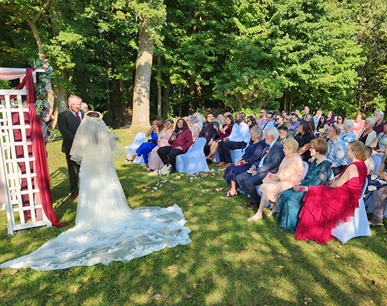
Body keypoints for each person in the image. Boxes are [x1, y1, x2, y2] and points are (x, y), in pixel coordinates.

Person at [0, 111, 191, 270]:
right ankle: (111, 212)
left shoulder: (82, 135)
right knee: (108, 187)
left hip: (90, 166)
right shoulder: (103, 134)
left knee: (91, 190)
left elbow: (79, 153)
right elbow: (111, 147)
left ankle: (90, 217)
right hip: (104, 165)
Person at [294, 141, 368, 244]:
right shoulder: (361, 164)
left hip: (345, 195)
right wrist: (332, 182)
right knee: (316, 190)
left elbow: (337, 184)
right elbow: (340, 176)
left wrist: (327, 186)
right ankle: (307, 189)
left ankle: (313, 229)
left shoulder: (353, 166)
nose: (346, 152)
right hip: (350, 192)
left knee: (315, 193)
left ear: (354, 152)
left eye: (348, 150)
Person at [277, 138, 331, 232]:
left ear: (318, 151)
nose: (309, 150)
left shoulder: (324, 165)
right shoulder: (315, 160)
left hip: (313, 191)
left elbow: (317, 184)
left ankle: (291, 225)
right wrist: (299, 183)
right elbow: (308, 178)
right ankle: (283, 222)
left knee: (291, 197)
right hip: (305, 185)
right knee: (285, 193)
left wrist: (301, 188)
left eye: (312, 148)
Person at [247, 138, 304, 221]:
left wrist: (274, 177)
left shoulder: (295, 160)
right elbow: (281, 172)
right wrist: (273, 176)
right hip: (282, 180)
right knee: (265, 184)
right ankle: (274, 207)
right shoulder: (288, 156)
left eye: (285, 148)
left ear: (291, 150)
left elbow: (285, 176)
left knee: (267, 188)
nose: (283, 149)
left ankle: (259, 213)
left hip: (290, 183)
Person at [236, 127, 285, 208]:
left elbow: (272, 164)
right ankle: (253, 196)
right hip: (259, 169)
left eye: (266, 135)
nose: (264, 137)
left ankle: (255, 201)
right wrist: (254, 166)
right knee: (239, 178)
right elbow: (261, 159)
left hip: (268, 172)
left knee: (248, 182)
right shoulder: (267, 146)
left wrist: (257, 171)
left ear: (272, 136)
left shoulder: (278, 147)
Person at [223, 126, 268, 198]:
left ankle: (233, 190)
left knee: (235, 170)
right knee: (230, 167)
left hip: (250, 163)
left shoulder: (260, 144)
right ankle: (234, 187)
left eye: (252, 134)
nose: (250, 135)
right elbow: (245, 153)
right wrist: (238, 161)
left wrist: (243, 162)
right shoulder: (252, 142)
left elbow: (255, 156)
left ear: (256, 134)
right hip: (244, 161)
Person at [57, 95, 83, 198]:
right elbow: (65, 132)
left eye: (79, 104)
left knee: (85, 167)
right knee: (73, 169)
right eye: (74, 104)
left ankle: (85, 188)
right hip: (71, 146)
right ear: (69, 104)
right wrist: (79, 141)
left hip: (86, 147)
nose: (77, 106)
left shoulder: (85, 115)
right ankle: (74, 190)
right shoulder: (63, 116)